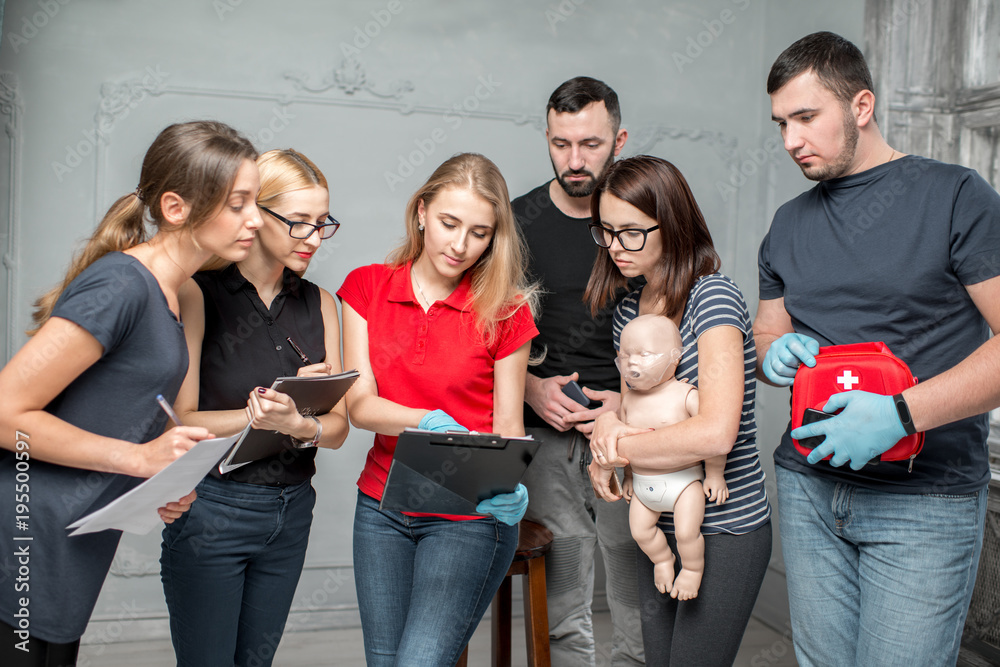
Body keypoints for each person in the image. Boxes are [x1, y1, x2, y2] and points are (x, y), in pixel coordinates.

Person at [754, 31, 1000, 666]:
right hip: (809, 487)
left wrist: (900, 414)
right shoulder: (787, 222)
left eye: (806, 118)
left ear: (861, 106)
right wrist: (776, 353)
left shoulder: (956, 197)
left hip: (926, 499)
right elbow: (768, 331)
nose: (791, 142)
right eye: (781, 123)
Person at [0, 120, 260, 667]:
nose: (255, 221)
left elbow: (116, 411)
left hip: (73, 540)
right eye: (238, 204)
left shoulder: (177, 292)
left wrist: (158, 479)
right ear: (176, 207)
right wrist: (139, 459)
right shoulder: (123, 284)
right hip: (26, 537)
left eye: (255, 202)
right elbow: (4, 413)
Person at [337, 152, 539, 665]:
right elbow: (359, 406)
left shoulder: (507, 309)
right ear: (421, 211)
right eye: (449, 223)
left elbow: (510, 427)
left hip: (469, 514)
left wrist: (513, 488)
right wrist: (423, 420)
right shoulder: (367, 288)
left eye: (478, 232)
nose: (460, 245)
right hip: (381, 509)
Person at [158, 149, 350, 667]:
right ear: (255, 212)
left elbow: (337, 430)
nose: (313, 238)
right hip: (212, 507)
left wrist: (298, 422)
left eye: (322, 223)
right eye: (299, 223)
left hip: (291, 513)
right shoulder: (198, 293)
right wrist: (268, 412)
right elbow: (181, 420)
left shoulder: (324, 303)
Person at [587, 155, 772, 665]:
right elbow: (634, 406)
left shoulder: (712, 298)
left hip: (724, 525)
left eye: (631, 232)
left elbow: (715, 433)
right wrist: (608, 426)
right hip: (656, 525)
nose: (615, 247)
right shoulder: (629, 308)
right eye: (605, 232)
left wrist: (616, 448)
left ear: (672, 225)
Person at [512, 75, 644, 666]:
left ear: (619, 140)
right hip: (544, 436)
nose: (575, 159)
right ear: (546, 137)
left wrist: (627, 402)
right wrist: (532, 389)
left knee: (640, 600)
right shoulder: (515, 221)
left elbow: (675, 327)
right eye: (561, 144)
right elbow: (482, 337)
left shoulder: (640, 221)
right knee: (563, 607)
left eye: (590, 144)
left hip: (631, 436)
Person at [616, 314, 728, 600]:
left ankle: (691, 571)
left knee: (686, 533)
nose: (632, 362)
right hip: (643, 485)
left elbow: (713, 439)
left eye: (643, 354)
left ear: (675, 358)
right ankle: (663, 560)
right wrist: (628, 476)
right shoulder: (628, 400)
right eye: (625, 355)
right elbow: (626, 442)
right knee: (641, 532)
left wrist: (715, 474)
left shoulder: (686, 394)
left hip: (684, 484)